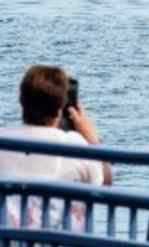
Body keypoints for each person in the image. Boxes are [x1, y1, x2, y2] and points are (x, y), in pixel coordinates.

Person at [0, 66, 112, 233]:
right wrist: (93, 141)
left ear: (21, 100)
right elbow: (105, 183)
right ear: (61, 107)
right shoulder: (74, 145)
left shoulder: (4, 139)